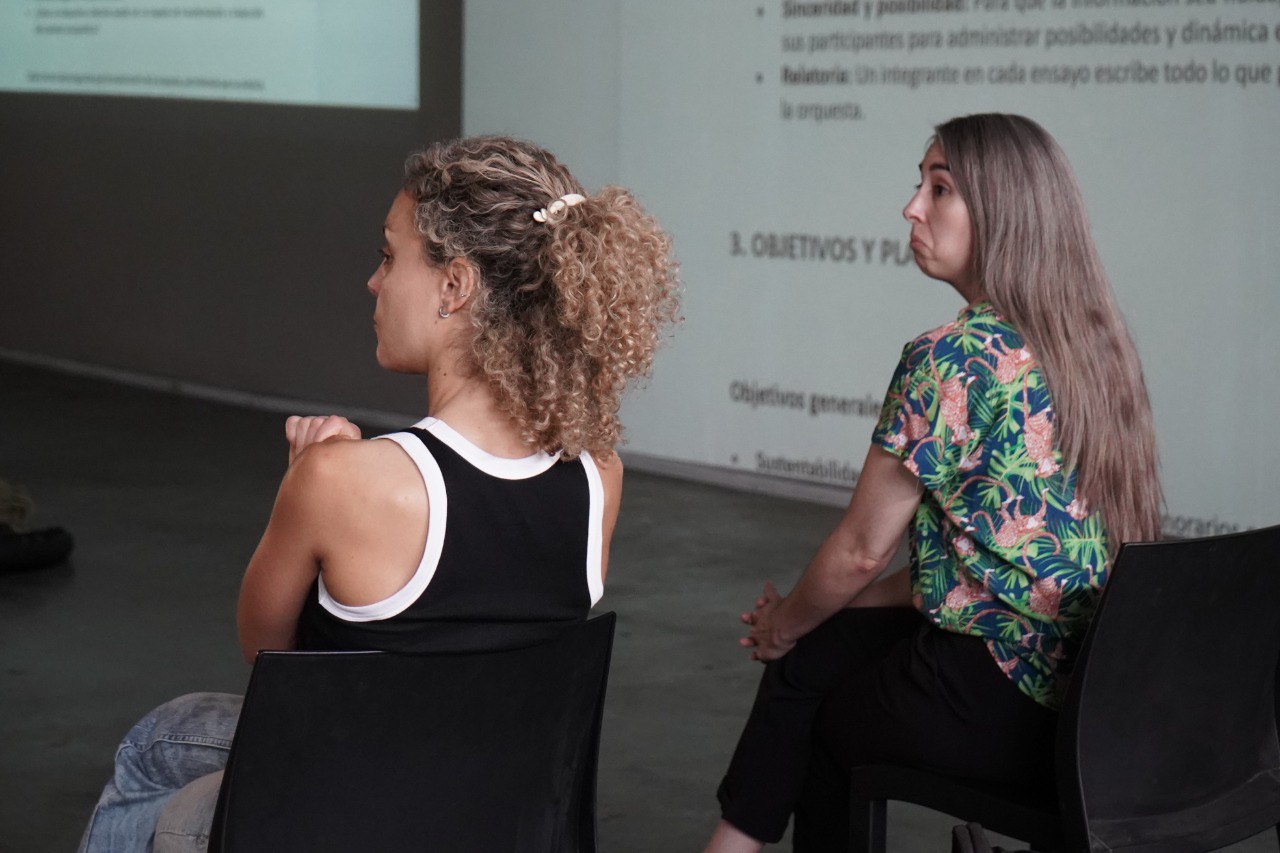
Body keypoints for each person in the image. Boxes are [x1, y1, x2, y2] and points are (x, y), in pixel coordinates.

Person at [79, 135, 680, 853]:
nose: (373, 281)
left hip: (350, 818)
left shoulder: (347, 479)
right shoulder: (598, 476)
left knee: (157, 767)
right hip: (499, 813)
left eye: (390, 257)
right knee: (170, 732)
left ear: (454, 286)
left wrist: (308, 473)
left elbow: (267, 652)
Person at [705, 113, 1161, 851]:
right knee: (816, 655)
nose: (911, 207)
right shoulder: (1093, 344)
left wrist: (783, 623)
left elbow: (861, 551)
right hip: (1097, 688)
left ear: (1004, 211)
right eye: (919, 184)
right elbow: (976, 568)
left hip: (1007, 691)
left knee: (824, 717)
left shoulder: (952, 358)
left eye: (939, 189)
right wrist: (803, 620)